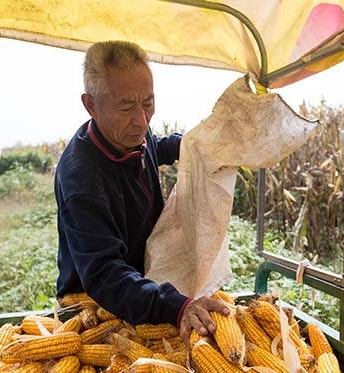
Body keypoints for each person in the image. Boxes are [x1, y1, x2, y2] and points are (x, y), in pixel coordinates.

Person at [54, 40, 229, 343]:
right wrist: (175, 307)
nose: (141, 120)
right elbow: (104, 273)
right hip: (96, 302)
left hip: (142, 283)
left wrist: (191, 145)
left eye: (148, 103)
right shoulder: (81, 181)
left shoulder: (131, 132)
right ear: (91, 105)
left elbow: (154, 145)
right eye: (126, 107)